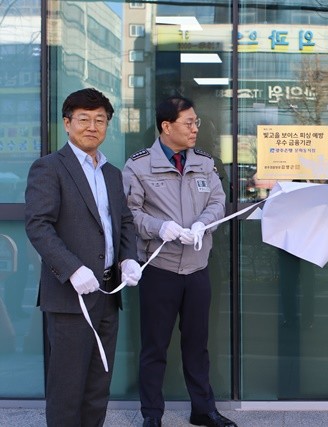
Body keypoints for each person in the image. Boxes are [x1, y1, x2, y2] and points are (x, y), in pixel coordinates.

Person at [24, 88, 142, 426]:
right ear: (67, 123)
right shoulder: (49, 168)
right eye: (84, 119)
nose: (92, 127)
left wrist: (128, 258)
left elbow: (124, 222)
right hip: (69, 296)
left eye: (100, 120)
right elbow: (38, 225)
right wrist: (72, 268)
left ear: (107, 126)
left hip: (106, 294)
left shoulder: (112, 173)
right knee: (66, 388)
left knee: (97, 385)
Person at [123, 96, 236, 427]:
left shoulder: (204, 162)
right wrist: (160, 227)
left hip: (198, 268)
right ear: (166, 126)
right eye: (188, 123)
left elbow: (217, 201)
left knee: (197, 345)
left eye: (196, 122)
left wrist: (203, 223)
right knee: (155, 347)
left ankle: (203, 410)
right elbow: (129, 214)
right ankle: (152, 415)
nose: (195, 128)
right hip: (160, 270)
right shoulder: (139, 166)